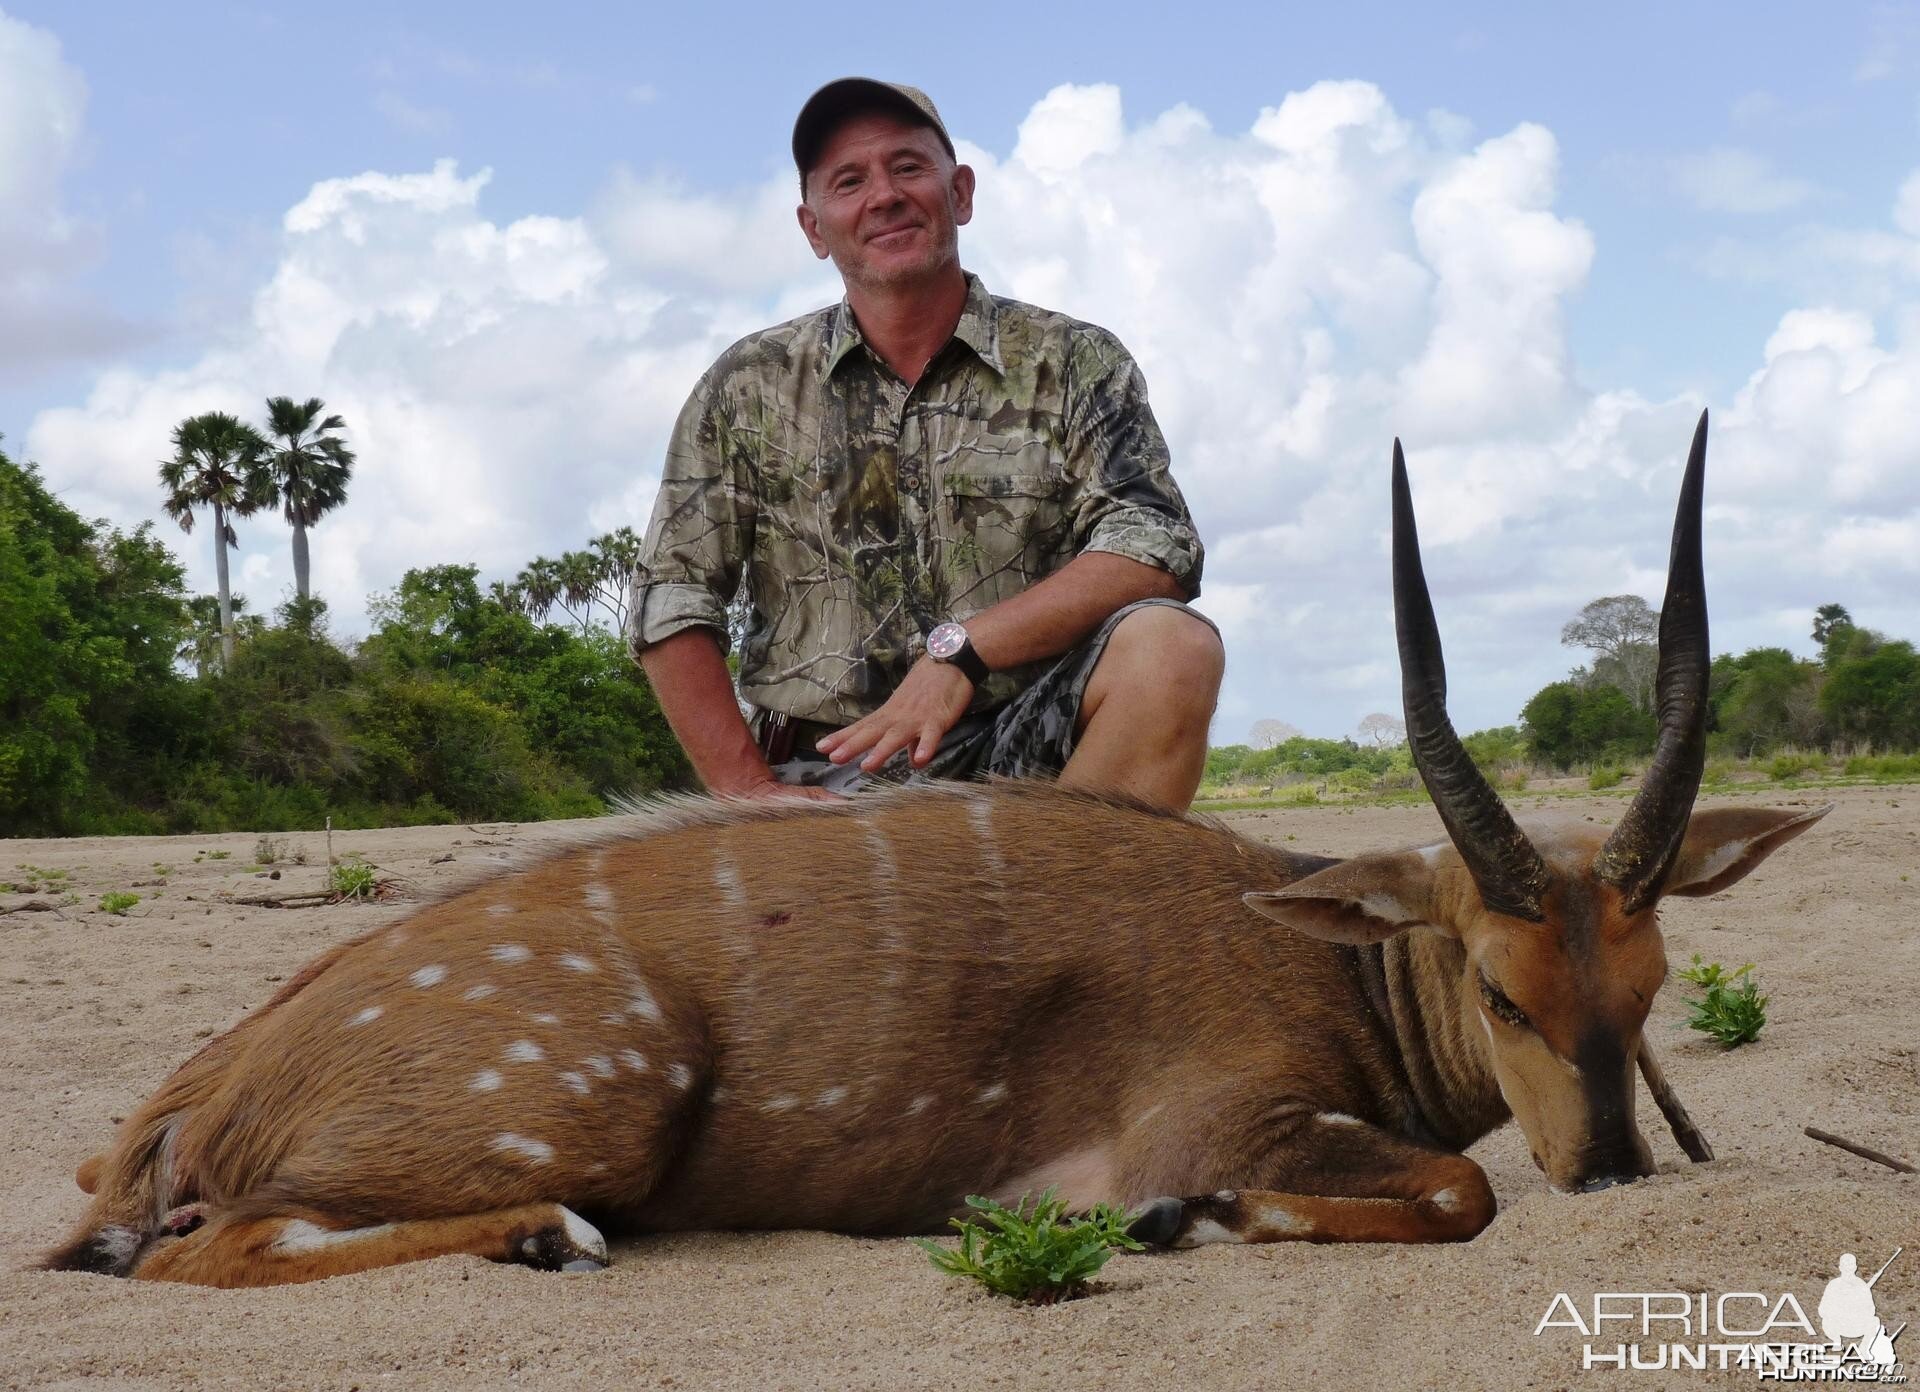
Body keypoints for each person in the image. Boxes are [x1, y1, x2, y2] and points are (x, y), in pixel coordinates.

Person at [629, 78, 1223, 811]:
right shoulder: (746, 385)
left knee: (1173, 647)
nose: (883, 195)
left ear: (961, 194)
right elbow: (671, 596)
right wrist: (745, 790)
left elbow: (1153, 544)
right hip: (825, 773)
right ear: (814, 229)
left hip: (1032, 757)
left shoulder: (1075, 361)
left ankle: (1065, 911)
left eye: (908, 167)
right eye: (850, 181)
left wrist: (962, 651)